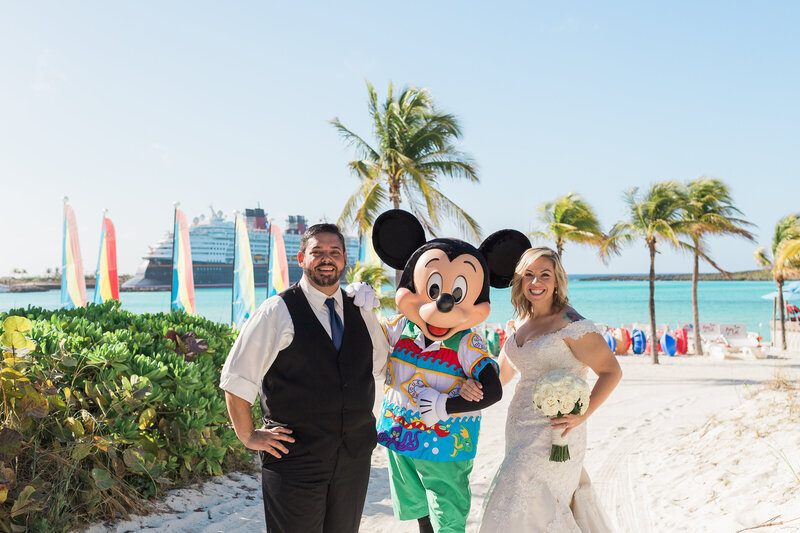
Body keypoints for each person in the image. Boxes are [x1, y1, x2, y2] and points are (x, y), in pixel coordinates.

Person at [219, 223, 385, 533]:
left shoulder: (360, 310)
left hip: (352, 458)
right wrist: (248, 436)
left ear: (345, 260)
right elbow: (237, 379)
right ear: (300, 258)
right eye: (317, 252)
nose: (326, 259)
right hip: (295, 458)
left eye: (334, 252)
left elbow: (381, 365)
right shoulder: (276, 311)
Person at [478, 246, 622, 532]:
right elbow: (502, 373)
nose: (536, 282)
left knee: (528, 500)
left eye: (545, 275)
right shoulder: (520, 322)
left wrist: (584, 413)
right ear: (520, 280)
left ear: (557, 281)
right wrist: (468, 384)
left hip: (556, 432)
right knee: (518, 500)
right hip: (519, 430)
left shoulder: (572, 325)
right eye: (529, 275)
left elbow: (611, 371)